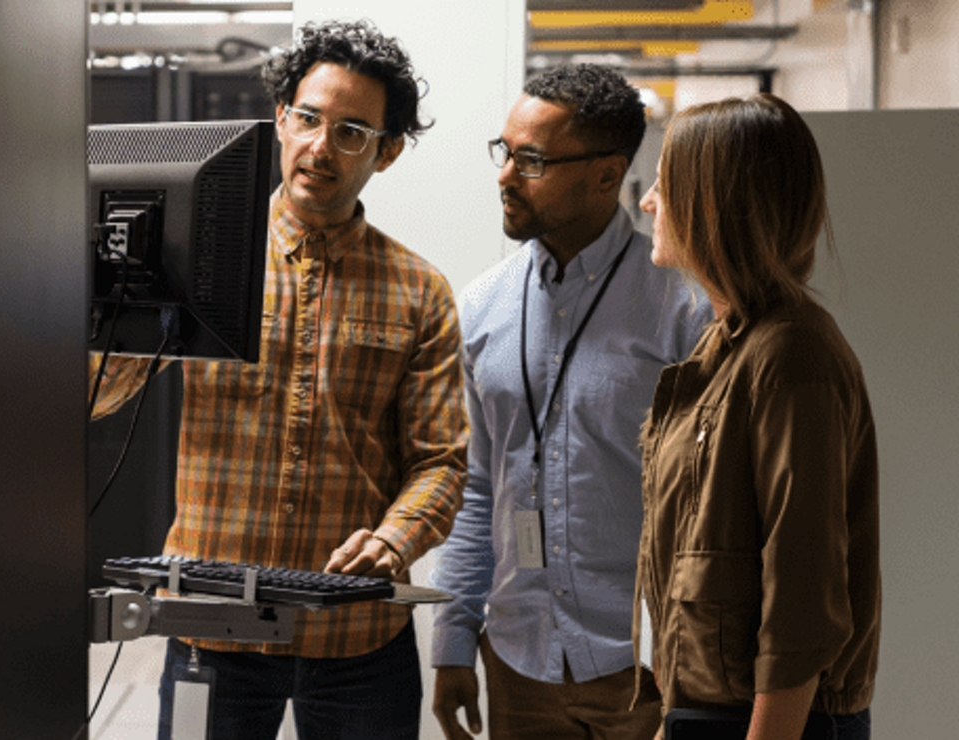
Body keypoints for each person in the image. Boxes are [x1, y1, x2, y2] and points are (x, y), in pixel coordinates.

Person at [89, 19, 469, 740]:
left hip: (356, 637)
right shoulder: (197, 257)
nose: (321, 146)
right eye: (308, 119)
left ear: (386, 153)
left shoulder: (420, 290)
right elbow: (97, 398)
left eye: (352, 132)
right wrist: (115, 303)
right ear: (280, 119)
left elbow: (441, 460)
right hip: (211, 620)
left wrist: (395, 540)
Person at [430, 64, 711, 740]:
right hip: (519, 660)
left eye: (532, 161)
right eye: (506, 153)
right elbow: (479, 486)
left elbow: (710, 506)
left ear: (608, 175)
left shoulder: (684, 308)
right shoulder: (483, 306)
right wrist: (452, 637)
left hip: (644, 664)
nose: (504, 176)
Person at [634, 93, 880, 740]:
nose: (647, 203)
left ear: (712, 205)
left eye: (664, 185)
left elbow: (803, 596)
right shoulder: (728, 346)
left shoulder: (792, 354)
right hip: (708, 713)